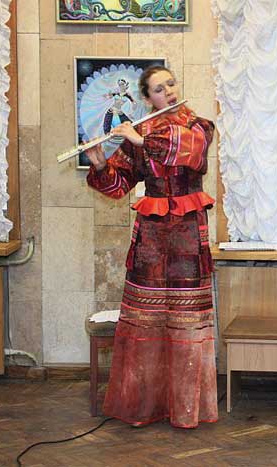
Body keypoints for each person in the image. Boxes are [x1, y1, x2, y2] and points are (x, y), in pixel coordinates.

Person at [86, 66, 217, 428]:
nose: (169, 91)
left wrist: (142, 140)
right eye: (159, 89)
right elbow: (118, 186)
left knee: (186, 322)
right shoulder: (138, 132)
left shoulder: (200, 126)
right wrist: (100, 163)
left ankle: (186, 409)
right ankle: (145, 407)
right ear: (147, 98)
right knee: (148, 320)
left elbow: (192, 152)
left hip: (188, 236)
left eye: (170, 84)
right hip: (152, 239)